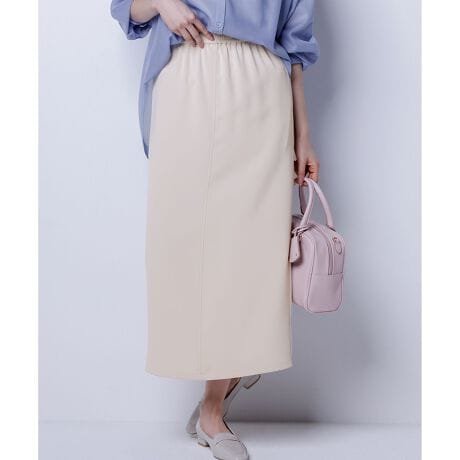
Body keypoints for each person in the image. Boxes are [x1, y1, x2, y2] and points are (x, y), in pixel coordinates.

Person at [111, 1, 319, 458]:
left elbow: (295, 41)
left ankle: (212, 407)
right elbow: (127, 9)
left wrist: (303, 134)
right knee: (180, 238)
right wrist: (163, 3)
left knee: (249, 249)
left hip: (261, 84)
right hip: (186, 71)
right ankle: (232, 363)